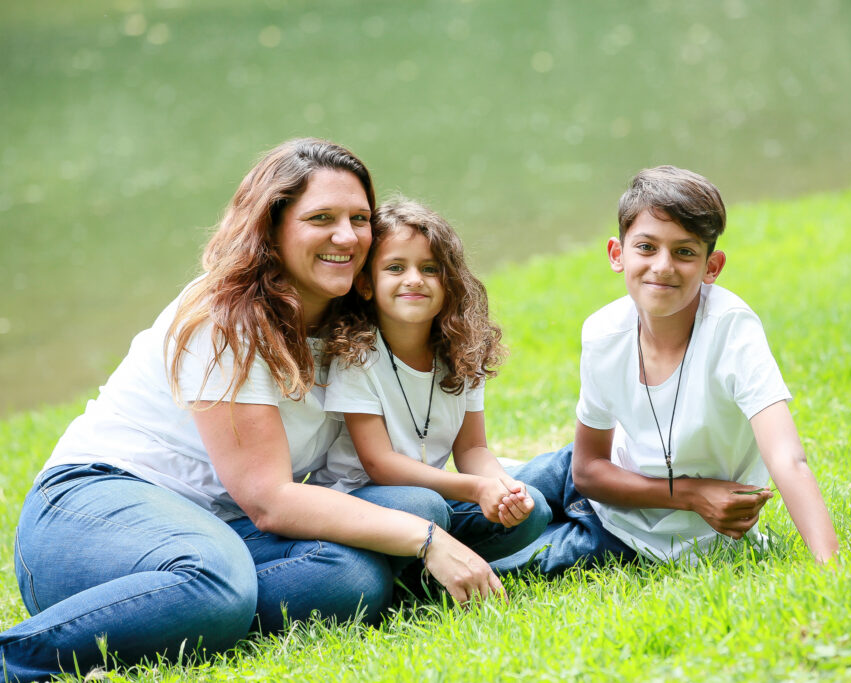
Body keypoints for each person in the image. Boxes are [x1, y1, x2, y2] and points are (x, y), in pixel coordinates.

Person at [0, 139, 503, 682]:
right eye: (321, 218)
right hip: (94, 507)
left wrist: (475, 493)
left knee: (361, 565)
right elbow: (270, 500)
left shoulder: (350, 320)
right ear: (272, 228)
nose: (347, 236)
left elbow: (390, 454)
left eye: (360, 218)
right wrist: (425, 542)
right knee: (221, 581)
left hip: (223, 526)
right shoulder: (227, 316)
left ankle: (178, 614)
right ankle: (23, 657)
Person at [492, 166, 838, 575]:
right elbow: (587, 470)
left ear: (712, 266)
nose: (662, 266)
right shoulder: (603, 332)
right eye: (646, 247)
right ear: (617, 254)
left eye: (685, 251)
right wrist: (692, 494)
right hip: (593, 475)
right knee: (472, 505)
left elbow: (788, 460)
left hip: (634, 532)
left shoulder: (732, 330)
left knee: (485, 567)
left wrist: (830, 568)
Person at [317, 199, 551, 569]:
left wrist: (502, 488)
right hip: (363, 501)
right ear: (365, 284)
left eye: (430, 268)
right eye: (395, 267)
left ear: (450, 283)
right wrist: (476, 489)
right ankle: (420, 564)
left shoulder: (461, 353)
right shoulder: (357, 356)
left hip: (433, 499)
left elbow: (473, 449)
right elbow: (380, 464)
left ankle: (430, 566)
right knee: (423, 507)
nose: (414, 279)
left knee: (533, 508)